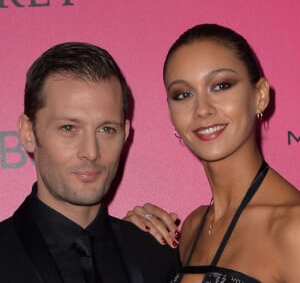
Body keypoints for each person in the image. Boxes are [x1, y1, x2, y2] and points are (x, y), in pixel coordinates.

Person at [125, 24, 300, 282]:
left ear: (260, 95)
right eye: (183, 94)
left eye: (221, 85)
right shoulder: (191, 229)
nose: (202, 109)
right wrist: (127, 237)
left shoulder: (293, 228)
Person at [0, 42, 180, 283]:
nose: (91, 152)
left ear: (125, 134)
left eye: (106, 129)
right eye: (69, 128)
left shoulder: (156, 254)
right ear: (28, 133)